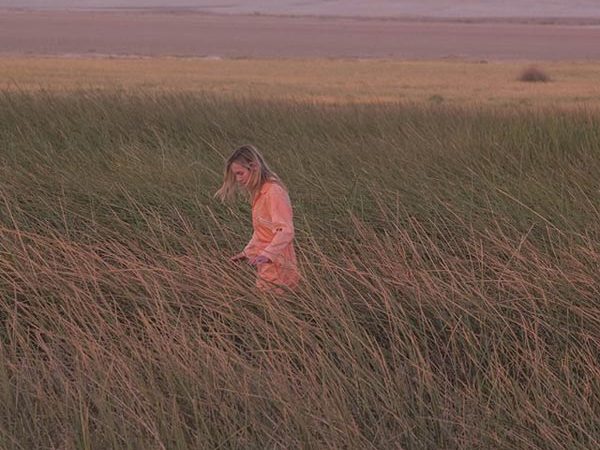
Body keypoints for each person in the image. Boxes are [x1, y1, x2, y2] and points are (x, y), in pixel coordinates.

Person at [215, 145, 300, 292]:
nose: (238, 179)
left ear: (253, 167)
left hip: (279, 266)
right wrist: (247, 253)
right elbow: (262, 231)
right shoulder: (259, 192)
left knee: (272, 307)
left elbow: (286, 231)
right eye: (235, 175)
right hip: (267, 265)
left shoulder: (273, 192)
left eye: (240, 173)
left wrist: (267, 255)